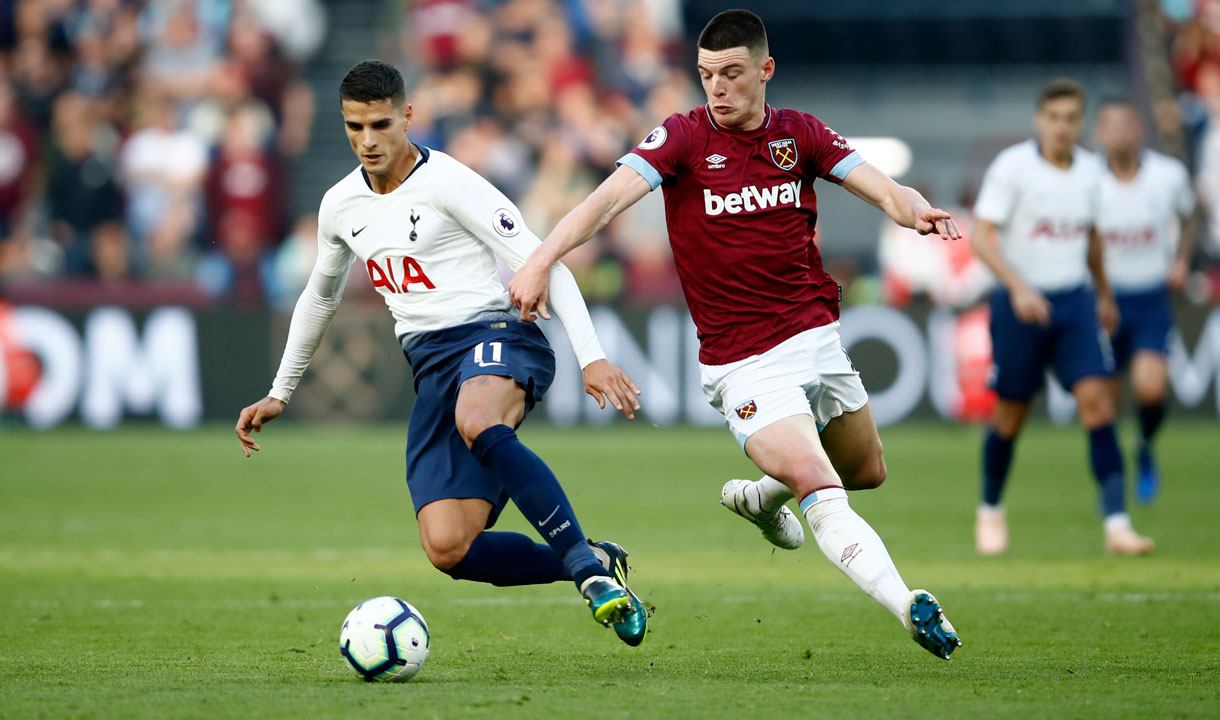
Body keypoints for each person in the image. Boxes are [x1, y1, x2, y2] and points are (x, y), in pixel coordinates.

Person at [510, 10, 962, 660]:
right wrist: (541, 258)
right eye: (705, 75)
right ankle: (909, 603)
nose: (716, 88)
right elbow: (604, 201)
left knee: (864, 471)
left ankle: (757, 498)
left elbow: (885, 191)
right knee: (817, 480)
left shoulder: (798, 135)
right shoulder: (683, 139)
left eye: (730, 73)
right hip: (744, 363)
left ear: (764, 70)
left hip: (816, 337)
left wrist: (915, 210)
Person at [234, 60, 648, 646]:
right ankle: (598, 559)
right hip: (430, 364)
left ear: (407, 116)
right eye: (355, 128)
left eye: (380, 124)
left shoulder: (450, 183)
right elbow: (318, 298)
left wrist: (592, 355)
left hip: (496, 333)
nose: (368, 141)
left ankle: (586, 575)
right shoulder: (340, 205)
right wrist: (281, 390)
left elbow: (541, 261)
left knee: (476, 418)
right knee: (449, 547)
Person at [970, 79, 1155, 556]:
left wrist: (1106, 295)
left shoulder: (1092, 172)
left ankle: (1117, 524)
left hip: (1073, 303)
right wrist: (1018, 287)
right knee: (1011, 416)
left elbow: (1092, 238)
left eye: (1071, 118)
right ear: (1040, 120)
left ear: (1081, 123)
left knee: (1099, 403)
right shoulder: (1013, 167)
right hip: (1018, 305)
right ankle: (990, 509)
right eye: (1054, 117)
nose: (1062, 127)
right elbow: (981, 237)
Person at [1094, 97, 1196, 504]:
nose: (1120, 133)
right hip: (1105, 302)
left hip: (1151, 297)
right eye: (1111, 126)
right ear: (1100, 133)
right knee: (1106, 403)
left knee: (1151, 390)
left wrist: (1183, 260)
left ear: (1139, 129)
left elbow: (1190, 218)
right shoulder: (1088, 180)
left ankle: (1146, 446)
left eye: (1127, 125)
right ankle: (1114, 479)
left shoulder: (1168, 176)